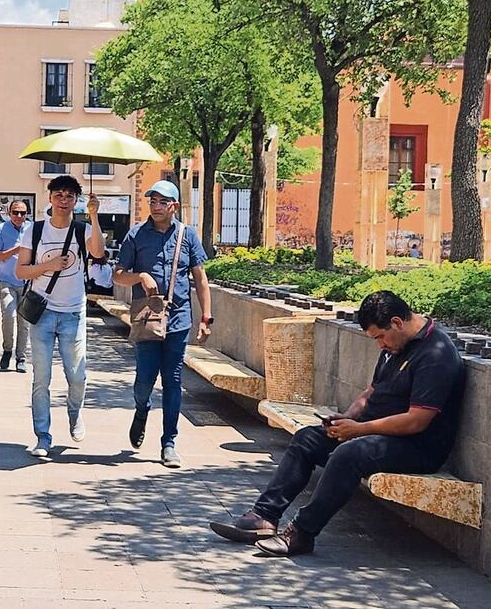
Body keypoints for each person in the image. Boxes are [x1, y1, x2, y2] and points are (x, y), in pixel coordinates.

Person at [210, 290, 464, 556]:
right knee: (308, 438)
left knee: (348, 454)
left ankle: (301, 534)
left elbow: (417, 421)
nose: (380, 345)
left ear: (398, 323)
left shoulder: (436, 354)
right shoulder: (396, 344)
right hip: (376, 434)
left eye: (380, 337)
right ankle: (264, 515)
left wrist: (359, 430)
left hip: (417, 447)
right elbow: (371, 392)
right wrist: (348, 418)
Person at [113, 181, 212, 469]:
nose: (155, 206)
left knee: (174, 381)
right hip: (147, 319)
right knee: (144, 380)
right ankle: (141, 410)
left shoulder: (187, 235)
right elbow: (118, 275)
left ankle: (169, 443)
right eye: (152, 201)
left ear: (174, 206)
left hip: (179, 319)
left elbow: (201, 279)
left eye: (161, 202)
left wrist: (206, 317)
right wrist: (140, 276)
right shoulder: (136, 235)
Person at [16, 175, 105, 457]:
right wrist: (50, 265)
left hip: (72, 313)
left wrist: (94, 215)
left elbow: (99, 252)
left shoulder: (83, 228)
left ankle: (74, 413)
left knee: (77, 376)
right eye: (59, 195)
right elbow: (21, 271)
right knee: (41, 378)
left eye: (69, 196)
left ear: (76, 200)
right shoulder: (34, 230)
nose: (63, 201)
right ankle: (43, 436)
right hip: (42, 311)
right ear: (50, 197)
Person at [0, 201, 32, 372]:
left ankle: (21, 357)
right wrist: (15, 250)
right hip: (6, 280)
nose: (19, 216)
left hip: (28, 282)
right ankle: (7, 349)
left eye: (23, 213)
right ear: (9, 213)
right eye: (16, 212)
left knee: (25, 322)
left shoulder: (32, 229)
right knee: (9, 315)